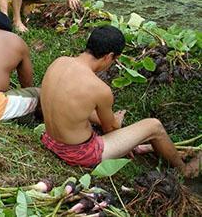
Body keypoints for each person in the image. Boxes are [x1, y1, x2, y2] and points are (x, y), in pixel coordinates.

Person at [40, 25, 200, 178]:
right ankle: (184, 170)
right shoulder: (99, 89)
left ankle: (144, 147)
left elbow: (72, 105)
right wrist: (116, 122)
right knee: (154, 126)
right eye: (114, 60)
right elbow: (110, 130)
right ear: (109, 56)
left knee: (95, 117)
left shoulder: (58, 62)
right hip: (78, 153)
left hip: (50, 140)